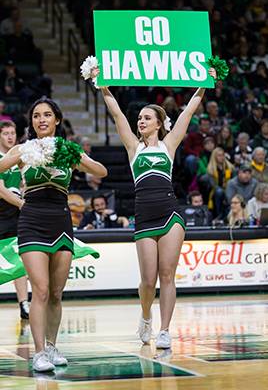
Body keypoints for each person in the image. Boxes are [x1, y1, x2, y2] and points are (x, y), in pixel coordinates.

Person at [93, 66, 216, 349]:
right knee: (148, 281)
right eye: (140, 118)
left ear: (159, 123)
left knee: (167, 275)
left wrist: (205, 83)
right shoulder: (133, 149)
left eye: (146, 118)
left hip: (170, 214)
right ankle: (146, 315)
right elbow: (116, 114)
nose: (140, 122)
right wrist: (102, 85)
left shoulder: (169, 145)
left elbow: (188, 113)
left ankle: (165, 330)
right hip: (145, 217)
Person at [0, 97, 107, 372]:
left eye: (47, 115)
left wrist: (75, 156)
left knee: (57, 293)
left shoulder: (67, 149)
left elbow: (102, 171)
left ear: (57, 120)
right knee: (42, 290)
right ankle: (38, 354)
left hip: (61, 221)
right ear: (31, 122)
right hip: (31, 220)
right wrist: (15, 163)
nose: (42, 120)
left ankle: (51, 346)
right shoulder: (23, 149)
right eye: (36, 116)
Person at [0, 120, 29, 319]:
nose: (10, 137)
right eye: (5, 133)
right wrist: (22, 204)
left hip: (15, 215)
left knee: (18, 261)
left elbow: (25, 183)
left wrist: (25, 194)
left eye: (13, 133)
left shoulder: (19, 158)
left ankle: (24, 304)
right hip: (3, 212)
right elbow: (1, 190)